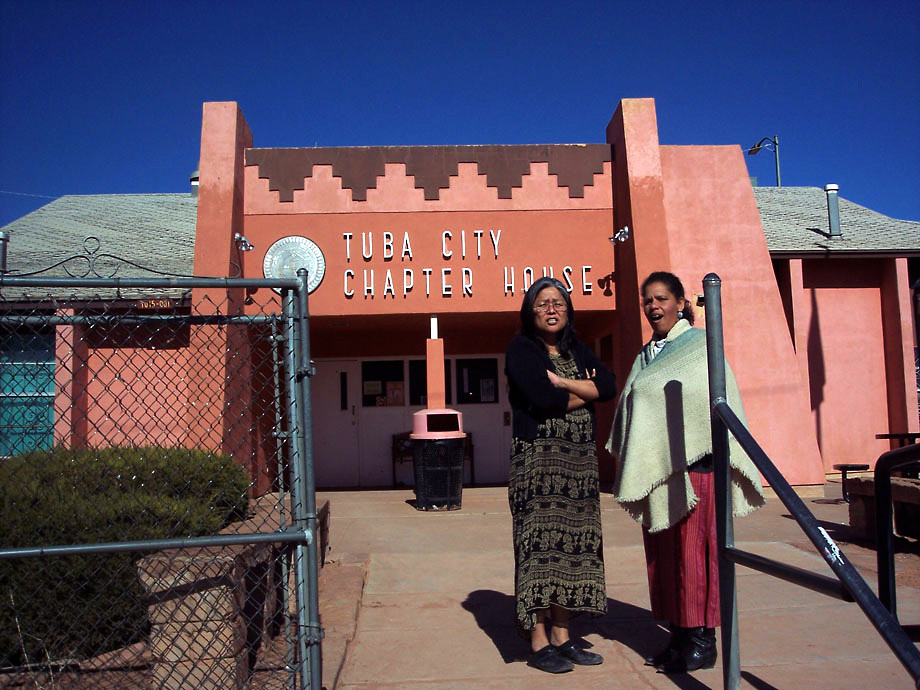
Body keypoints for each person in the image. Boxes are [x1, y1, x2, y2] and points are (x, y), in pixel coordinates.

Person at [607, 271, 765, 674]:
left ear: (680, 302)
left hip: (697, 468)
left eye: (661, 299)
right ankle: (677, 636)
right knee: (664, 558)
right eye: (647, 301)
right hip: (659, 473)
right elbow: (634, 403)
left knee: (696, 557)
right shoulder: (647, 354)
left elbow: (714, 396)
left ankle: (702, 640)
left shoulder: (699, 347)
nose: (653, 307)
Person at [505, 276, 618, 674]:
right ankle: (537, 641)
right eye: (542, 303)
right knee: (539, 551)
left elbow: (607, 386)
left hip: (580, 469)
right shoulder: (521, 350)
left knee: (572, 551)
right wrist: (579, 393)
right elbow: (543, 399)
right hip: (538, 467)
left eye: (558, 303)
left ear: (568, 311)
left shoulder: (577, 349)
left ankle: (562, 636)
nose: (551, 309)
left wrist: (567, 382)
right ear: (530, 311)